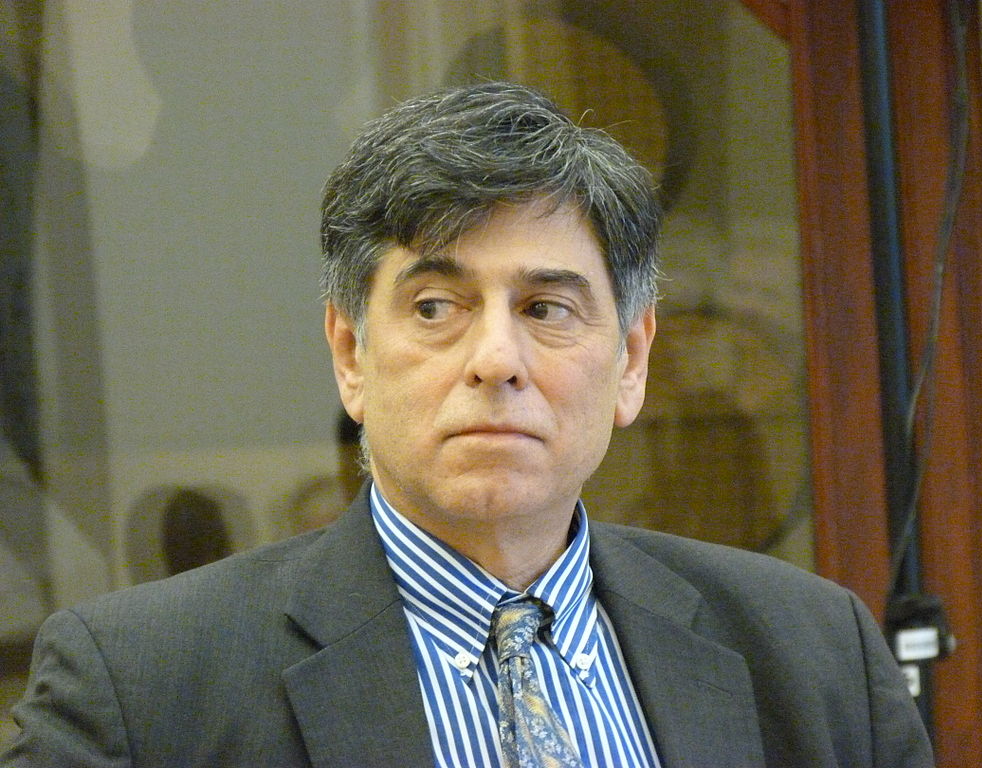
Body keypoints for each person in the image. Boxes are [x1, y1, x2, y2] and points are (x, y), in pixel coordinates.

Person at [2, 81, 933, 767]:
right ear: (350, 354)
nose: (496, 359)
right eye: (436, 307)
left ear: (632, 360)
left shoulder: (816, 656)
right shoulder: (139, 689)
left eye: (546, 308)